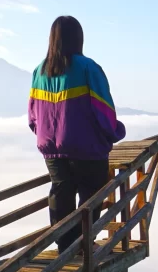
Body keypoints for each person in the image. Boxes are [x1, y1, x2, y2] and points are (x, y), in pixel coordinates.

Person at [28, 16, 127, 252]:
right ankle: (83, 244)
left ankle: (65, 246)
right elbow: (103, 110)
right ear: (78, 38)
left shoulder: (39, 71)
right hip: (86, 147)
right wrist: (114, 131)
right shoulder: (88, 68)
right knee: (91, 196)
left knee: (60, 193)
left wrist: (46, 136)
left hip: (52, 148)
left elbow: (33, 115)